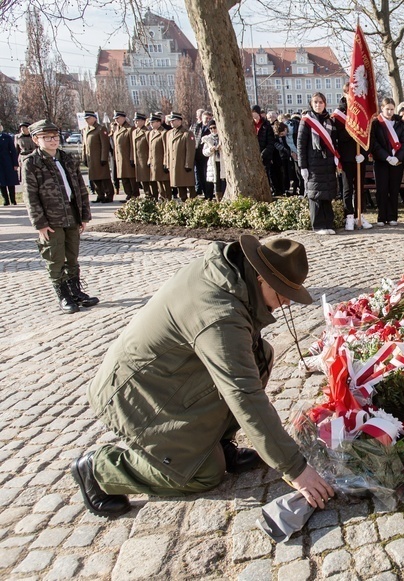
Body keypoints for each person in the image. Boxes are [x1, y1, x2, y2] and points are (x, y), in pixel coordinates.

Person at [73, 235, 334, 516]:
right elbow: (243, 393)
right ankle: (99, 470)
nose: (287, 303)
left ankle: (218, 441)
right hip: (136, 395)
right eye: (283, 292)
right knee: (205, 474)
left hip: (168, 377)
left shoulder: (229, 274)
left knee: (261, 355)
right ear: (261, 279)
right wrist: (295, 468)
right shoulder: (220, 314)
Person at [21, 120, 98, 313]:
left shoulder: (66, 158)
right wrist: (40, 224)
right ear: (36, 139)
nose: (53, 140)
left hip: (71, 215)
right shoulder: (32, 163)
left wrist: (84, 216)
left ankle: (75, 291)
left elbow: (80, 188)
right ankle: (63, 295)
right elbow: (30, 196)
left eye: (55, 136)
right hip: (50, 219)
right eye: (47, 137)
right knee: (55, 257)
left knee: (72, 256)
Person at [298, 92, 339, 235]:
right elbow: (301, 145)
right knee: (316, 195)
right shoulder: (306, 121)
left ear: (325, 104)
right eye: (315, 102)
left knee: (327, 194)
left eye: (321, 102)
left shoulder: (329, 121)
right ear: (311, 104)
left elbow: (334, 141)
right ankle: (318, 225)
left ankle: (328, 223)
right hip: (313, 163)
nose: (318, 105)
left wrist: (336, 156)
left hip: (328, 162)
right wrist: (303, 166)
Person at [333, 88, 371, 229]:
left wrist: (365, 154)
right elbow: (338, 137)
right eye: (349, 92)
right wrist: (353, 128)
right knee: (347, 188)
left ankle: (359, 215)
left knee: (360, 187)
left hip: (360, 156)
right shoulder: (339, 114)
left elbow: (368, 136)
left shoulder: (362, 110)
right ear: (344, 94)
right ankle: (348, 215)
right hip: (346, 156)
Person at [370, 97, 404, 225]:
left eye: (392, 109)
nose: (389, 112)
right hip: (381, 161)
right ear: (382, 108)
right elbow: (374, 143)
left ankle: (392, 217)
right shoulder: (376, 123)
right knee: (382, 190)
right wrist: (386, 157)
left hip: (396, 162)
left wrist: (397, 158)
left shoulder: (400, 124)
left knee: (394, 189)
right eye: (387, 109)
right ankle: (381, 217)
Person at [83, 111, 115, 203]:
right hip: (91, 159)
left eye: (88, 118)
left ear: (94, 118)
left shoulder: (100, 129)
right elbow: (84, 145)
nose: (87, 120)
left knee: (104, 178)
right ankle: (100, 195)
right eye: (86, 119)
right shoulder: (85, 129)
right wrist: (84, 157)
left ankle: (109, 195)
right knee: (94, 178)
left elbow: (105, 145)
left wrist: (104, 158)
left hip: (99, 158)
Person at [165, 112, 196, 201]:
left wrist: (188, 164)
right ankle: (183, 200)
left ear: (179, 121)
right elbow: (168, 150)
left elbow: (190, 150)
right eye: (170, 121)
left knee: (189, 184)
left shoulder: (187, 133)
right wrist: (167, 163)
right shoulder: (169, 133)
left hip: (183, 164)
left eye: (173, 121)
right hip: (174, 164)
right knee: (179, 184)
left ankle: (193, 201)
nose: (171, 123)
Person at [112, 111, 139, 200]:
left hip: (127, 157)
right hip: (120, 158)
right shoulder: (116, 130)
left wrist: (132, 158)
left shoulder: (130, 129)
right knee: (123, 177)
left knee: (131, 177)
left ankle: (134, 194)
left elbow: (132, 145)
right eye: (115, 119)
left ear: (124, 118)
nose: (117, 120)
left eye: (118, 118)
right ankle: (128, 194)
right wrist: (115, 158)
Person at [252, 105, 276, 196]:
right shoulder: (250, 124)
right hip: (254, 154)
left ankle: (267, 192)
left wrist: (264, 154)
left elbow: (271, 142)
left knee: (265, 174)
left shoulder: (266, 125)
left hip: (265, 154)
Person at [147, 113, 171, 201]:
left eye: (152, 122)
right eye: (150, 123)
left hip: (161, 161)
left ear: (158, 122)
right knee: (158, 181)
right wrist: (149, 160)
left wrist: (165, 162)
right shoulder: (151, 133)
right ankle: (162, 197)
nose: (151, 124)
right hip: (154, 161)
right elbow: (150, 148)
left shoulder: (164, 133)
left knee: (165, 181)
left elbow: (166, 149)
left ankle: (167, 198)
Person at [131, 113, 154, 199]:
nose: (136, 122)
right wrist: (132, 158)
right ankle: (147, 193)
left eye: (138, 120)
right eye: (135, 121)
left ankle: (151, 194)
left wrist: (149, 159)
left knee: (147, 178)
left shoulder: (147, 132)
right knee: (142, 179)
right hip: (138, 159)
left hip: (145, 158)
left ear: (143, 121)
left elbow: (150, 147)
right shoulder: (134, 132)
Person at [202, 120, 227, 200]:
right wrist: (211, 149)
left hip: (223, 162)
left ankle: (224, 197)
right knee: (216, 182)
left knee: (223, 180)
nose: (213, 130)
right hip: (213, 162)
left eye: (214, 127)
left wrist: (221, 148)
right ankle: (218, 199)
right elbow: (204, 152)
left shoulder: (223, 136)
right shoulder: (208, 139)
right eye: (211, 128)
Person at [192, 110, 212, 198]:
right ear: (202, 118)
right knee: (199, 175)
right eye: (206, 118)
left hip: (207, 154)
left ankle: (208, 194)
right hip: (197, 154)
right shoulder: (196, 126)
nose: (207, 120)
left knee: (207, 175)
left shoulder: (211, 127)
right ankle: (203, 191)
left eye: (209, 118)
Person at [0, 122, 17, 206]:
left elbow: (13, 151)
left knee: (11, 181)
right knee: (1, 183)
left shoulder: (7, 137)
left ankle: (13, 200)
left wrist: (15, 164)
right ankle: (6, 200)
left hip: (8, 161)